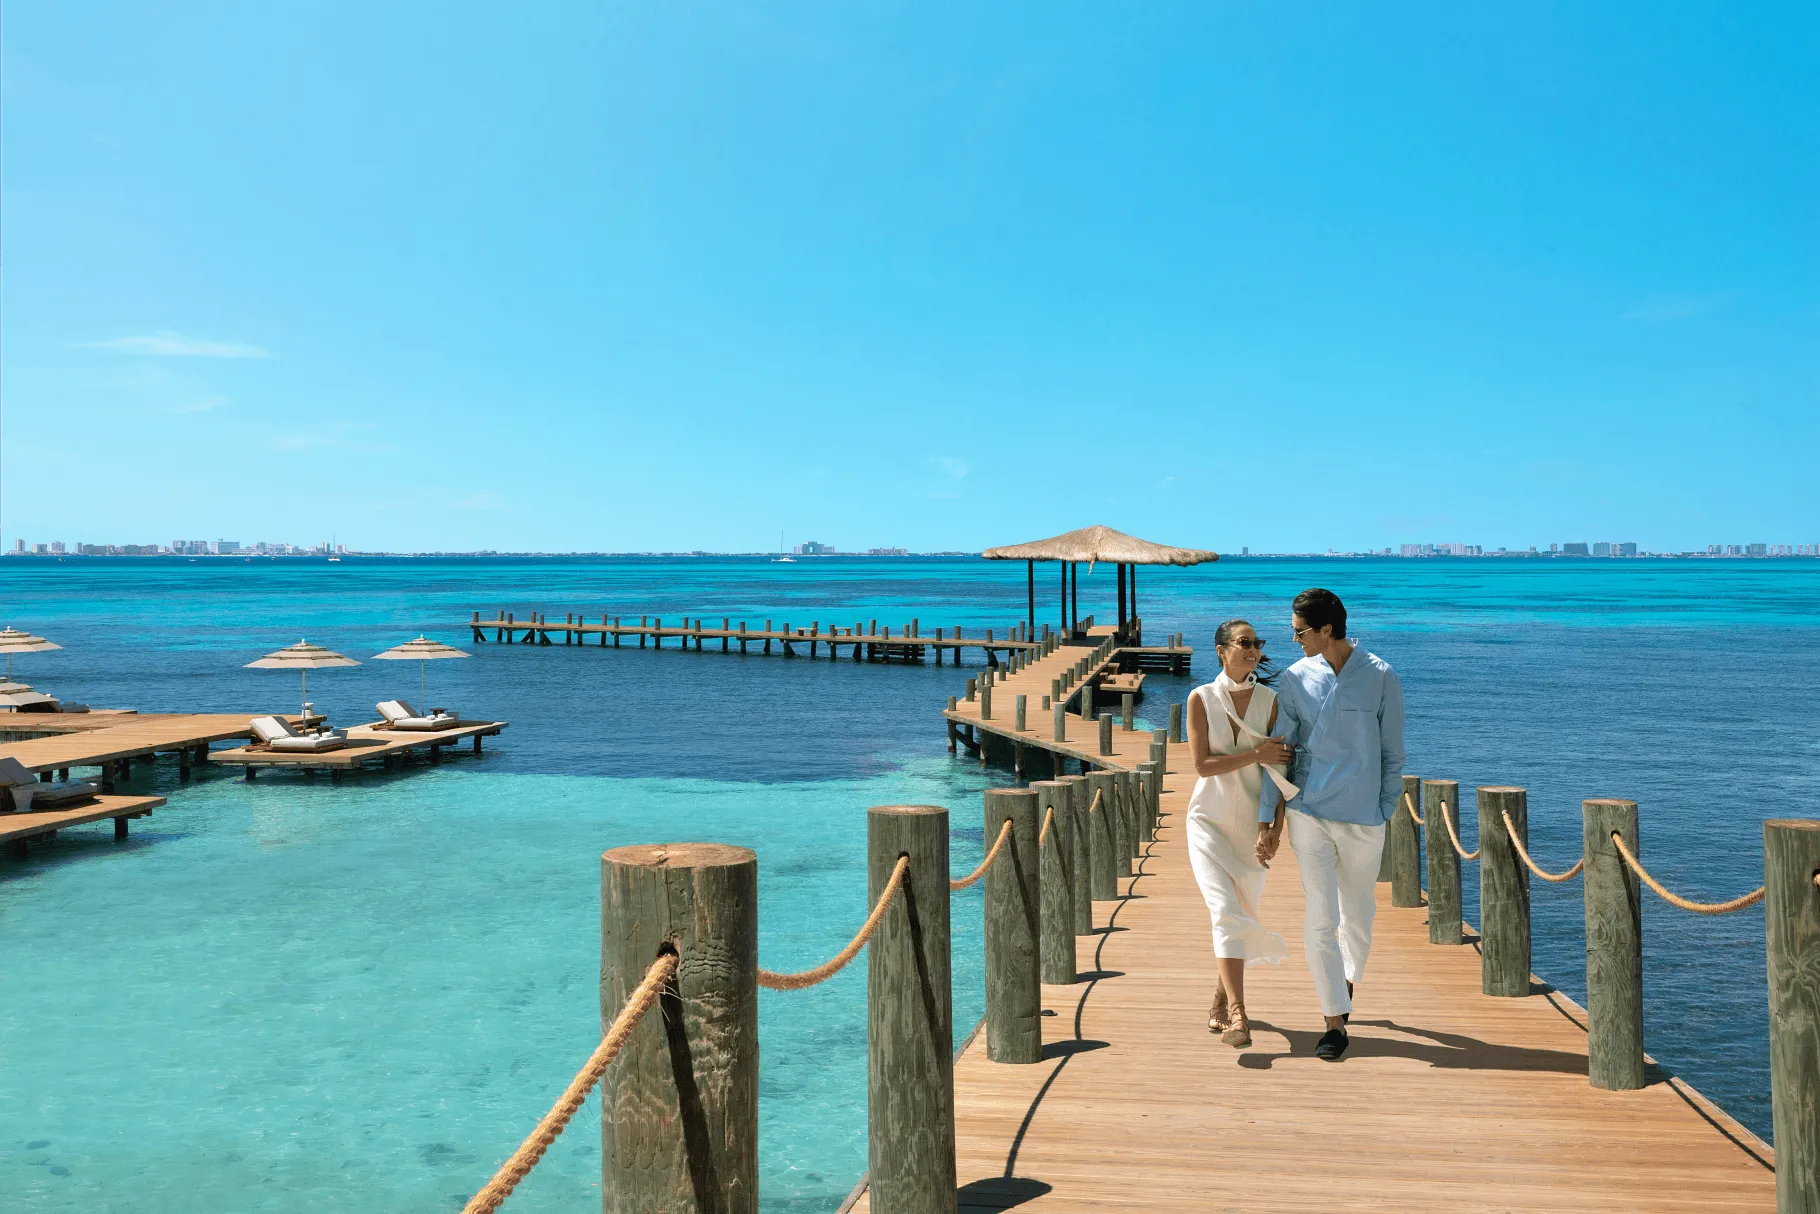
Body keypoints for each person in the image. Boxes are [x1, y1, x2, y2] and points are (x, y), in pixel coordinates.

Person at [1257, 588, 1405, 1062]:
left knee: (1357, 918)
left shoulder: (1381, 676)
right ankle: (1333, 1022)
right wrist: (1270, 819)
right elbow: (1282, 751)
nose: (1293, 639)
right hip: (1310, 814)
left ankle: (1344, 984)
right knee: (1320, 917)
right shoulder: (1296, 678)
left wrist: (1384, 806)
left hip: (1364, 817)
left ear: (1327, 630)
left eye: (1300, 631)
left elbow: (1392, 752)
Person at [1185, 618, 1293, 1048]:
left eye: (1257, 644)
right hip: (1207, 822)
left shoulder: (1270, 700)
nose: (1253, 651)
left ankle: (1218, 999)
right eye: (1244, 643)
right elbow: (1202, 766)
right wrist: (1256, 753)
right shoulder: (1200, 698)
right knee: (1224, 911)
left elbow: (1280, 772)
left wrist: (1275, 830)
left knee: (1238, 916)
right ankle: (1238, 1015)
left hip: (1251, 826)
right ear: (1221, 649)